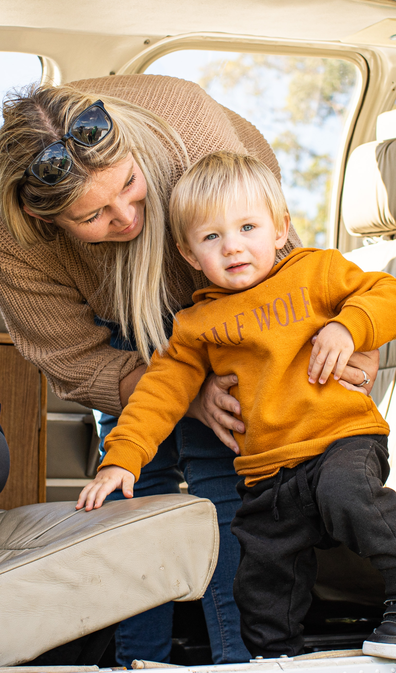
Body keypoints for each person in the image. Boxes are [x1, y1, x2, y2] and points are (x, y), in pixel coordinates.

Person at [0, 76, 378, 666]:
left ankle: (242, 660)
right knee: (133, 494)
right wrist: (148, 428)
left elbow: (270, 250)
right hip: (128, 327)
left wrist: (348, 326)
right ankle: (135, 661)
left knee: (224, 486)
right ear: (44, 218)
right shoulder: (14, 245)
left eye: (130, 186)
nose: (126, 216)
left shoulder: (188, 131)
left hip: (225, 300)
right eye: (94, 215)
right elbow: (76, 358)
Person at [78, 151, 396, 661]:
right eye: (211, 237)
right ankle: (274, 659)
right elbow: (159, 394)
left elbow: (387, 292)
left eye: (248, 227)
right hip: (268, 470)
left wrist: (348, 325)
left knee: (347, 495)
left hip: (341, 440)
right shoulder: (196, 325)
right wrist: (121, 458)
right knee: (261, 576)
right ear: (187, 253)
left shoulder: (317, 271)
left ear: (280, 229)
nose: (233, 247)